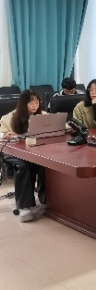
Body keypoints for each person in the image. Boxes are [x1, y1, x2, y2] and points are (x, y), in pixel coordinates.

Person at [0, 90, 47, 222]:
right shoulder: (10, 117)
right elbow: (1, 133)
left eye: (37, 102)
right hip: (12, 151)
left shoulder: (42, 115)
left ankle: (45, 200)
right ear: (23, 103)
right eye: (31, 102)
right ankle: (24, 206)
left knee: (46, 165)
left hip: (35, 151)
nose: (35, 105)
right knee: (24, 165)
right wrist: (5, 135)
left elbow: (59, 126)